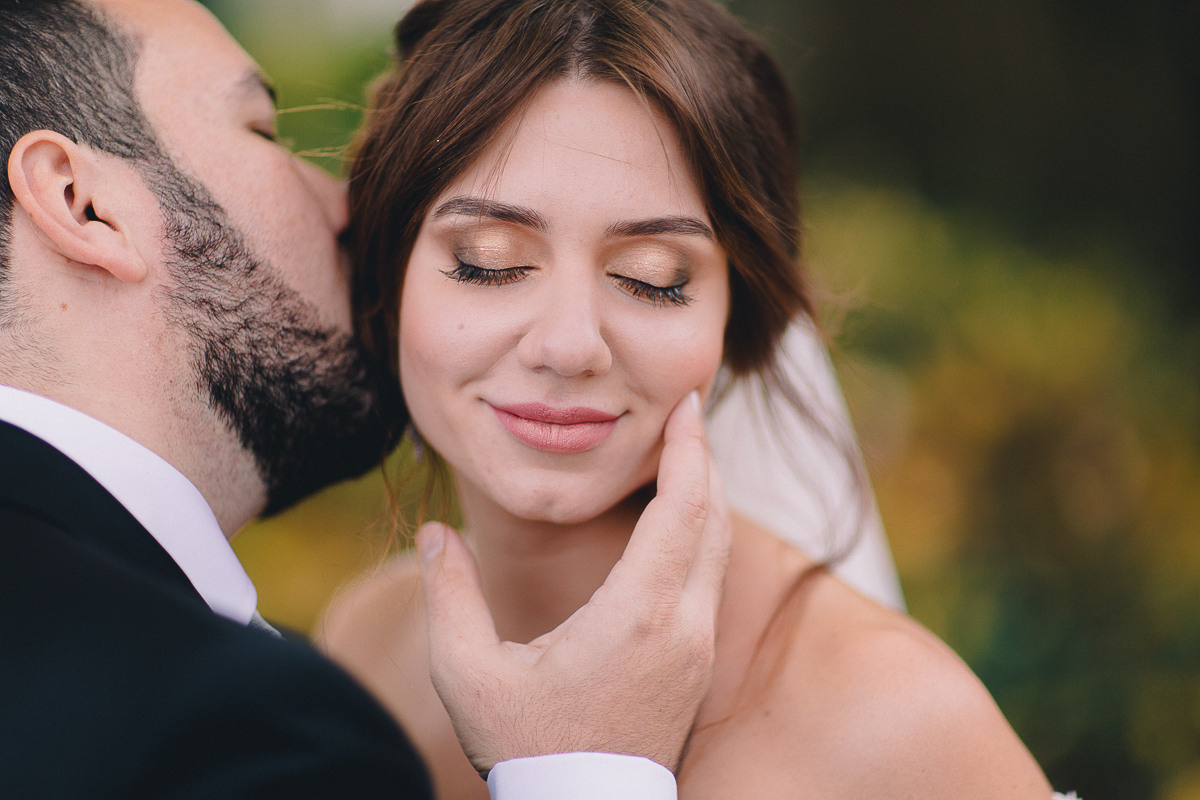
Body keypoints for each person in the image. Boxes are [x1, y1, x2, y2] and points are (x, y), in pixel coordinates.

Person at [320, 0, 1071, 796]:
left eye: (653, 277)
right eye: (487, 261)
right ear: (387, 280)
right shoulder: (362, 648)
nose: (570, 345)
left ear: (735, 318)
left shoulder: (895, 723)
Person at [0, 0, 732, 797]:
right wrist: (585, 771)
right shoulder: (237, 728)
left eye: (653, 278)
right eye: (263, 132)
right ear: (82, 202)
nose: (351, 206)